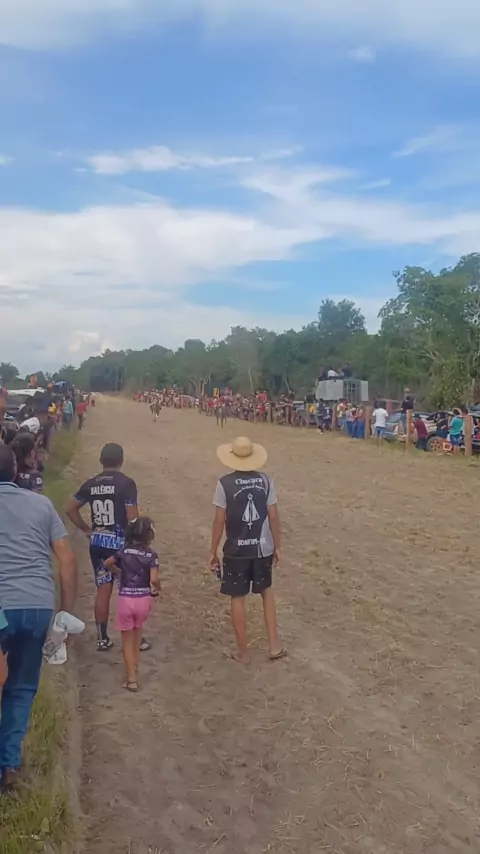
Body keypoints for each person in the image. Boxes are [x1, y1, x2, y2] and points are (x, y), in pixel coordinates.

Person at [0, 445, 77, 791]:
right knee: (20, 687)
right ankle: (8, 765)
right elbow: (66, 560)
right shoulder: (41, 504)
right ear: (16, 471)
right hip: (36, 604)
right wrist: (64, 613)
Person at [66, 443, 150, 652]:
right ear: (121, 460)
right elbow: (132, 518)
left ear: (101, 461)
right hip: (120, 544)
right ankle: (136, 637)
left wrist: (86, 529)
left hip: (98, 543)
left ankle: (102, 638)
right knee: (129, 590)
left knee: (103, 590)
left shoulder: (91, 484)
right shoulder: (126, 484)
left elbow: (70, 508)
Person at [209, 436, 284, 665]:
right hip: (262, 548)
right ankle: (274, 645)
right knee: (266, 592)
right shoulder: (266, 481)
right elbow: (273, 515)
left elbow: (219, 520)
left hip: (236, 550)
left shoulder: (224, 484)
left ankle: (244, 653)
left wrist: (213, 550)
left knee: (238, 597)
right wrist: (277, 545)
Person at [102, 517, 160, 692]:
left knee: (126, 641)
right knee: (137, 636)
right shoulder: (151, 555)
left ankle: (131, 679)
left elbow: (107, 563)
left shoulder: (124, 551)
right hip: (143, 599)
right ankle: (135, 667)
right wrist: (157, 588)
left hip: (126, 600)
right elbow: (154, 579)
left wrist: (118, 572)